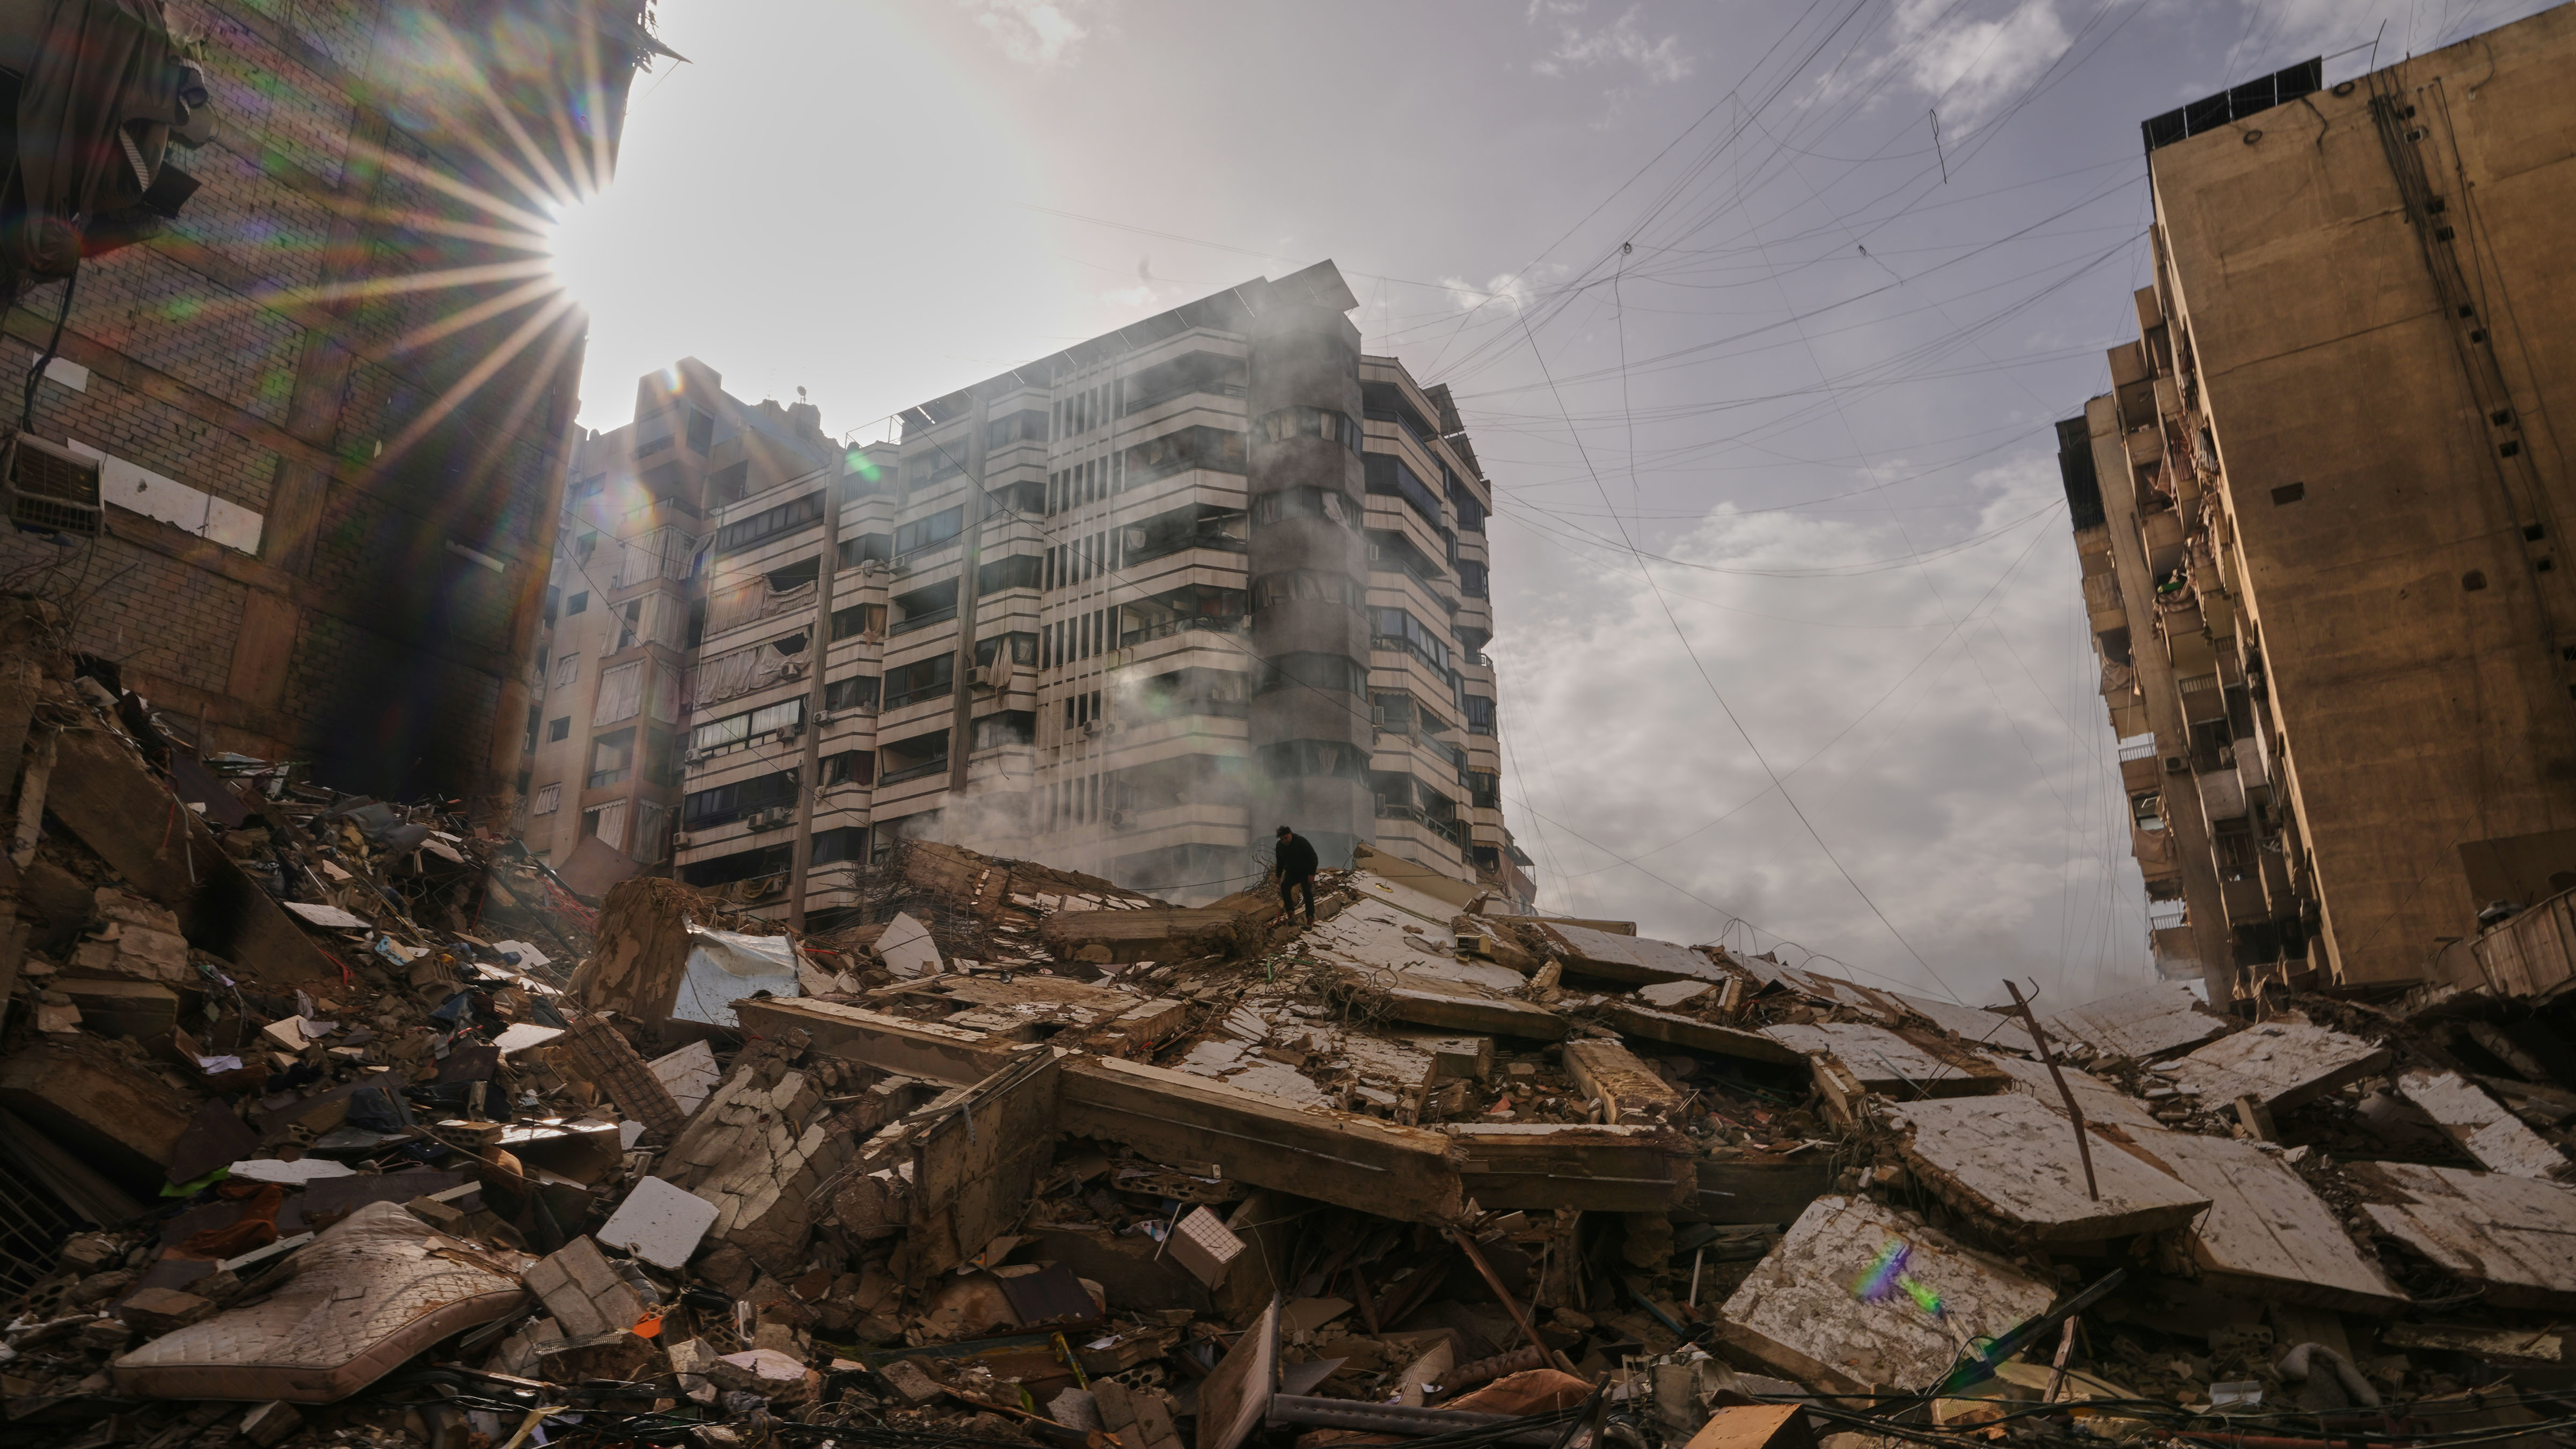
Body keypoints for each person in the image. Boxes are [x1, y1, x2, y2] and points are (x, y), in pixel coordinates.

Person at [1274, 824, 1319, 925]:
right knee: (1285, 886)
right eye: (1282, 839)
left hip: (1305, 871)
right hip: (1292, 872)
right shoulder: (1280, 846)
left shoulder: (1301, 842)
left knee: (1307, 891)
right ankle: (1290, 913)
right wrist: (1278, 876)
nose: (1285, 841)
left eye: (1286, 838)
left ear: (1291, 834)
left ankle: (1310, 917)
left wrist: (1311, 874)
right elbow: (1280, 862)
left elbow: (1313, 858)